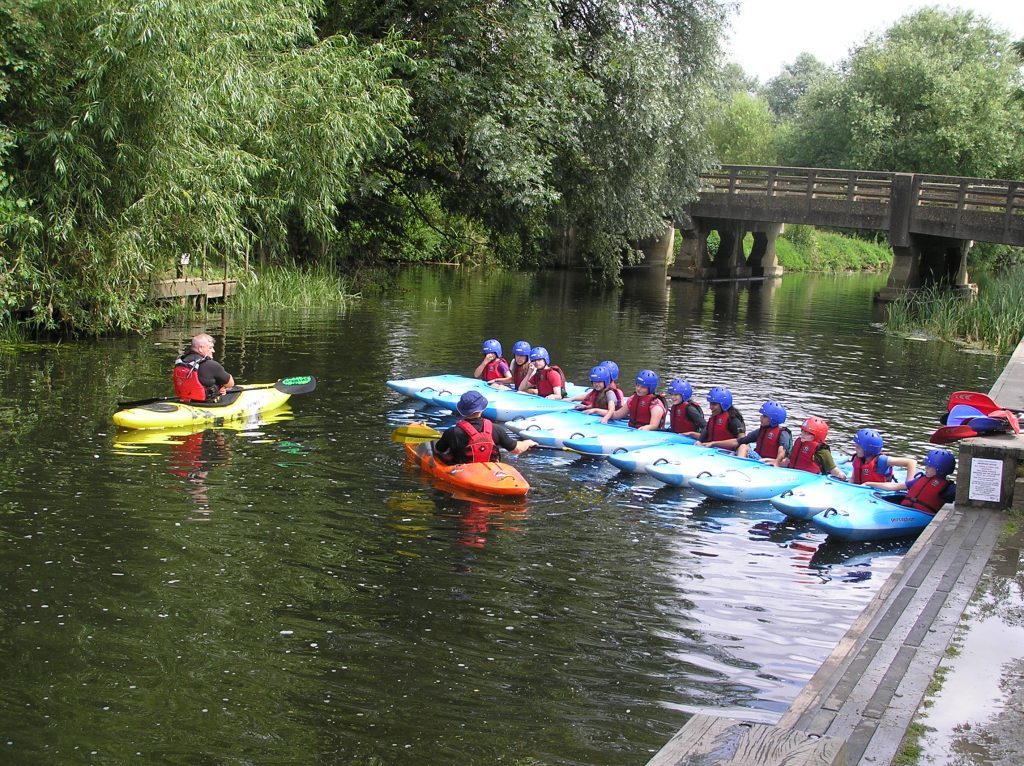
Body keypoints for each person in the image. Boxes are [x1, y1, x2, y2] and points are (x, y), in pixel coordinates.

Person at [433, 391, 537, 464]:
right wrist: (528, 443)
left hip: (462, 471)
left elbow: (438, 450)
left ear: (461, 410)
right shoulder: (496, 429)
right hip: (490, 470)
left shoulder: (452, 432)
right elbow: (517, 449)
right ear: (482, 409)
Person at [863, 448, 957, 514]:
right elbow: (895, 486)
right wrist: (869, 483)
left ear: (941, 469)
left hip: (922, 516)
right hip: (905, 510)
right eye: (926, 464)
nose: (926, 467)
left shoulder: (948, 488)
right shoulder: (920, 479)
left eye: (930, 466)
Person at [706, 400, 790, 465]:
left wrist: (776, 462)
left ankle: (738, 467)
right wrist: (713, 443)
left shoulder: (783, 433)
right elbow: (738, 441)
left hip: (769, 462)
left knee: (743, 447)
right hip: (759, 460)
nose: (761, 418)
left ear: (773, 419)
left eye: (764, 416)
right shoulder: (761, 431)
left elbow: (782, 452)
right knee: (741, 446)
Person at [173, 333, 235, 402]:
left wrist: (221, 387)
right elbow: (231, 383)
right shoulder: (211, 365)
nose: (213, 351)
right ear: (200, 349)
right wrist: (223, 387)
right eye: (210, 348)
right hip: (205, 404)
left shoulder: (181, 361)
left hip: (184, 400)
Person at [781, 416, 847, 480]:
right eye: (803, 431)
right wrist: (776, 464)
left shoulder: (821, 450)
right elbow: (788, 461)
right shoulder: (799, 442)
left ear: (817, 436)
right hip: (791, 475)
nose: (803, 434)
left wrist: (840, 475)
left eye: (808, 433)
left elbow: (833, 469)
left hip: (809, 479)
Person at [848, 428, 918, 485]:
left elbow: (911, 462)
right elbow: (853, 479)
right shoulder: (857, 458)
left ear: (868, 449)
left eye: (858, 447)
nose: (855, 449)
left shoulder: (881, 460)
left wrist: (908, 484)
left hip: (878, 493)